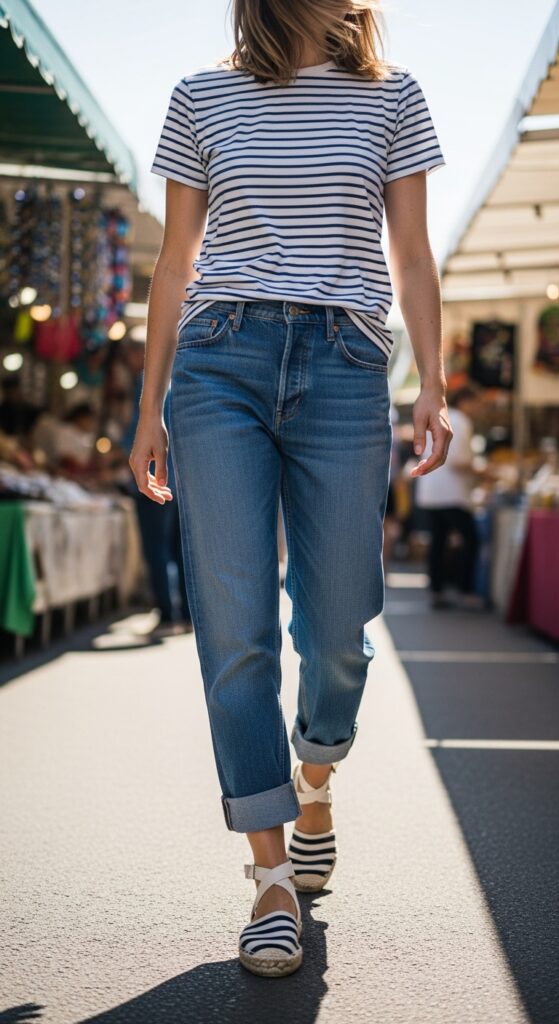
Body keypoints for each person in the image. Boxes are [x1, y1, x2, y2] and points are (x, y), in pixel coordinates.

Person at [130, 0, 451, 977]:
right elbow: (175, 264)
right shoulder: (202, 96)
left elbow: (409, 252)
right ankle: (270, 881)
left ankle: (314, 779)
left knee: (341, 625)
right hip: (219, 361)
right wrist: (148, 406)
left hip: (346, 363)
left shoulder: (391, 98)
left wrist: (433, 380)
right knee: (232, 627)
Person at [121, 339, 192, 636]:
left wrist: (124, 451)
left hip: (153, 478)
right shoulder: (177, 381)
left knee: (157, 548)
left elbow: (141, 429)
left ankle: (166, 614)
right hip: (177, 478)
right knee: (177, 549)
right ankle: (185, 614)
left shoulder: (148, 382)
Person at [415, 385, 482, 609]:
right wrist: (484, 471)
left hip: (431, 491)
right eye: (475, 403)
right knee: (470, 539)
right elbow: (458, 461)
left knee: (439, 540)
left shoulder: (439, 416)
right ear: (465, 400)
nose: (478, 408)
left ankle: (437, 590)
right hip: (451, 493)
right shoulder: (460, 420)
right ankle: (465, 590)